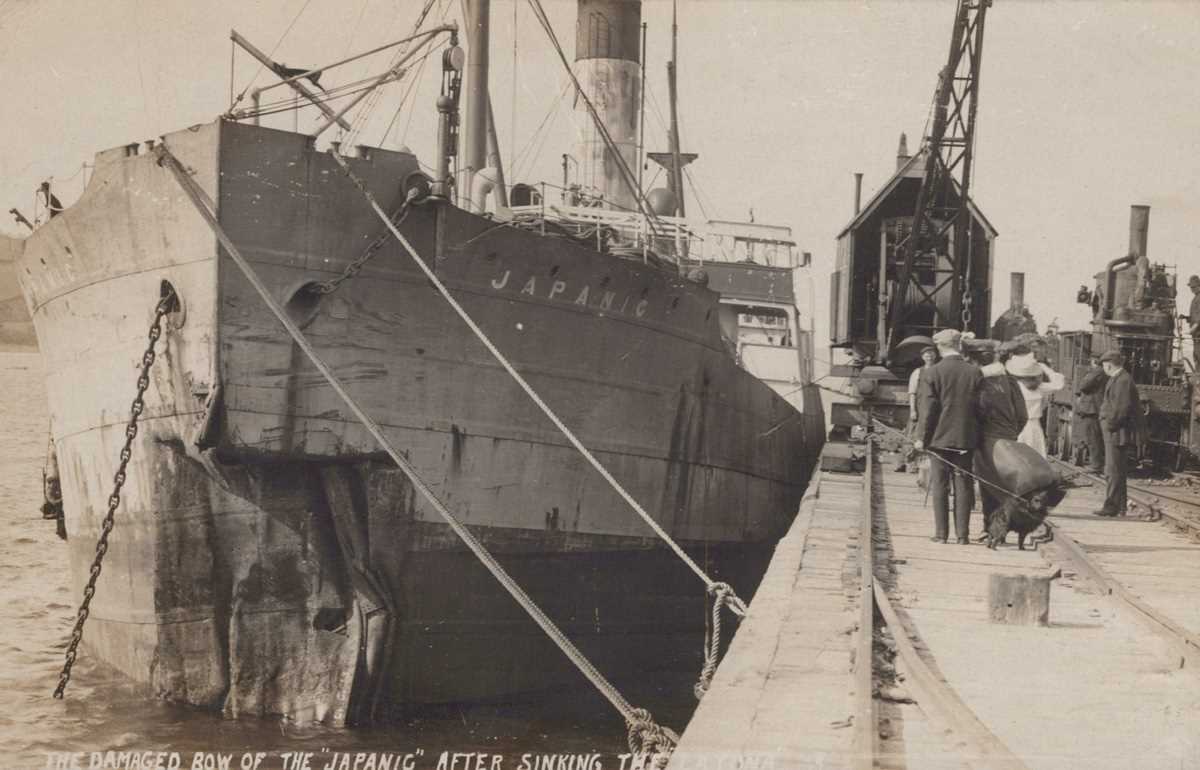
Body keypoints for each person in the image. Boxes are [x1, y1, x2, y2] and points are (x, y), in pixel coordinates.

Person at [915, 329, 981, 544]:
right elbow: (982, 408)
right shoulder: (975, 372)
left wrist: (921, 438)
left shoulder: (932, 373)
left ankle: (941, 535)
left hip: (939, 439)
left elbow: (928, 409)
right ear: (958, 345)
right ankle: (963, 536)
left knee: (940, 485)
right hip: (965, 439)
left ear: (940, 347)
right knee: (963, 485)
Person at [974, 347, 1028, 538]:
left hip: (986, 437)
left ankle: (989, 528)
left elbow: (977, 412)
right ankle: (1000, 529)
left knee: (988, 484)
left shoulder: (980, 382)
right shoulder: (1011, 381)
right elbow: (1023, 414)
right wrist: (1013, 433)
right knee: (1005, 484)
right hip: (1007, 437)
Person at [1096, 349, 1140, 517]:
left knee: (1112, 469)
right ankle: (1120, 507)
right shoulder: (1120, 378)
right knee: (1117, 469)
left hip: (1115, 432)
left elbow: (1121, 408)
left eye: (1104, 365)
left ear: (1108, 365)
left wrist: (1109, 426)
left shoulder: (1122, 380)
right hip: (1116, 431)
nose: (1104, 368)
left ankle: (1111, 506)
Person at [1005, 352, 1065, 458]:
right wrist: (1045, 368)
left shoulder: (1012, 387)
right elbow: (1059, 383)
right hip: (1034, 426)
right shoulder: (1039, 387)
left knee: (1016, 457)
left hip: (1015, 426)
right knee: (1035, 457)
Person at [900, 345, 938, 475]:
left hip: (934, 408)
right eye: (927, 354)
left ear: (935, 356)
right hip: (920, 407)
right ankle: (909, 464)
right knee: (913, 436)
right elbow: (912, 392)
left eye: (931, 354)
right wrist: (913, 410)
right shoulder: (917, 372)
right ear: (923, 357)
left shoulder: (939, 370)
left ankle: (926, 466)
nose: (929, 356)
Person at [1075, 355, 1107, 474]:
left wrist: (1089, 373)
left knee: (1093, 438)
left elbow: (1083, 385)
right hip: (1097, 409)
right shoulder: (1104, 372)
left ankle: (1096, 465)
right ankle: (1100, 464)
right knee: (1097, 438)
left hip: (1092, 409)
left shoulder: (1097, 372)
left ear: (1094, 361)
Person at [1182, 275, 1200, 371]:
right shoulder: (1196, 298)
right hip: (1196, 335)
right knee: (1196, 356)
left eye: (1193, 287)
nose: (1191, 290)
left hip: (1198, 335)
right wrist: (1186, 318)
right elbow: (1195, 316)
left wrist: (1191, 330)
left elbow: (1199, 318)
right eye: (1191, 287)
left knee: (1198, 356)